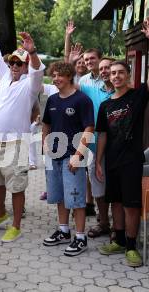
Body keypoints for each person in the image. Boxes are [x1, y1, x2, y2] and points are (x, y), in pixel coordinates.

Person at [0, 4, 44, 242]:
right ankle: (0, 214)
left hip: (17, 143)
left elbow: (38, 69)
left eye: (19, 63)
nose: (14, 66)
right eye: (12, 63)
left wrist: (32, 51)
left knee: (17, 186)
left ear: (25, 65)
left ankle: (16, 226)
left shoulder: (31, 85)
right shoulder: (5, 76)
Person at [95, 26, 149, 266]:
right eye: (112, 73)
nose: (115, 76)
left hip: (131, 161)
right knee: (115, 201)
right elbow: (103, 135)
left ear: (127, 75)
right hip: (111, 161)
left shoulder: (137, 96)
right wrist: (98, 161)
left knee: (131, 204)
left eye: (120, 73)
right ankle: (117, 240)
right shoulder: (105, 106)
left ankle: (130, 245)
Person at [41, 62, 94, 256]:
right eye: (53, 76)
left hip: (73, 157)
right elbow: (46, 124)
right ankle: (63, 231)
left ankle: (80, 237)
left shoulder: (82, 100)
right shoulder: (52, 99)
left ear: (69, 76)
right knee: (59, 196)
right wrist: (45, 144)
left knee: (76, 199)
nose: (55, 79)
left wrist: (78, 155)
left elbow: (89, 129)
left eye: (59, 75)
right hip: (54, 156)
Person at [79, 57, 115, 238]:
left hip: (119, 149)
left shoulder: (126, 91)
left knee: (117, 188)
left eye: (108, 68)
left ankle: (119, 227)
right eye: (102, 69)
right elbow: (70, 83)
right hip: (95, 147)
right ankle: (103, 223)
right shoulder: (92, 88)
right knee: (98, 187)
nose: (105, 71)